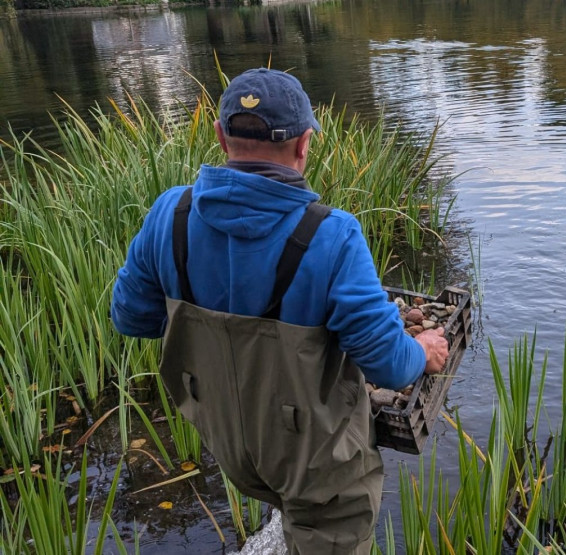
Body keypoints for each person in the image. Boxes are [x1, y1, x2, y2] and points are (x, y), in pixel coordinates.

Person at [111, 67, 449, 554]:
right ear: (304, 144)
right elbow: (390, 367)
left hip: (228, 445)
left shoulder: (170, 213)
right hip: (315, 467)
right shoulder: (334, 235)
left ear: (221, 136)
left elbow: (130, 318)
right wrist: (423, 348)